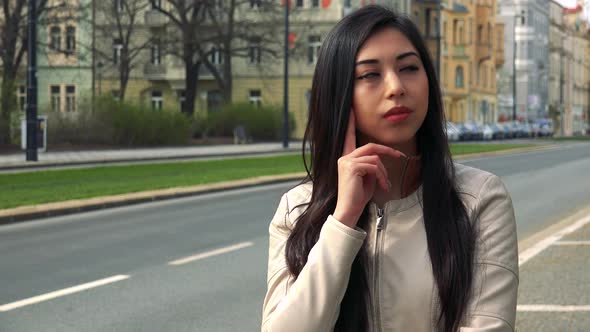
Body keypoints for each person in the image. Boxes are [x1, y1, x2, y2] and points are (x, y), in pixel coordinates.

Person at [261, 5, 518, 332]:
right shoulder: (296, 210)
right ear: (340, 96)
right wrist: (343, 220)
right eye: (370, 74)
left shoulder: (478, 199)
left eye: (409, 68)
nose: (396, 87)